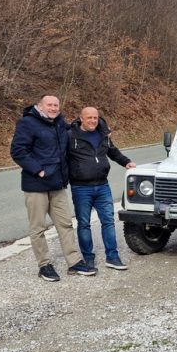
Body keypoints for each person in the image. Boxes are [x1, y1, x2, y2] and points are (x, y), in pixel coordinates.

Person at [10, 94, 97, 281]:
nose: (53, 108)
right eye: (49, 105)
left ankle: (74, 262)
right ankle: (44, 265)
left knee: (65, 224)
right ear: (39, 106)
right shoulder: (27, 123)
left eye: (56, 105)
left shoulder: (59, 123)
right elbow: (18, 151)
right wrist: (38, 170)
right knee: (38, 228)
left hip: (57, 184)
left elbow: (80, 127)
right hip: (36, 185)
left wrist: (103, 128)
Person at [68, 107, 136, 271]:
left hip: (102, 186)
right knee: (84, 224)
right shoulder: (70, 136)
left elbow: (113, 152)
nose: (92, 120)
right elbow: (60, 158)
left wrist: (126, 162)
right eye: (89, 117)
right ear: (81, 118)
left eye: (95, 117)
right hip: (80, 187)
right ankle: (88, 258)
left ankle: (112, 257)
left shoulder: (103, 134)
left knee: (108, 221)